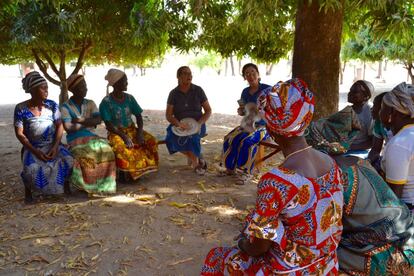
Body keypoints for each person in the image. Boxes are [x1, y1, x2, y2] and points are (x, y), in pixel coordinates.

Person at [201, 78, 344, 275]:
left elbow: (260, 247)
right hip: (327, 264)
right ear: (305, 119)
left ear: (270, 129)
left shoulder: (277, 180)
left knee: (217, 257)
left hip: (291, 270)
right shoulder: (330, 163)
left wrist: (243, 244)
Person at [305, 108, 414, 275]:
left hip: (391, 253)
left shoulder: (332, 175)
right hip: (407, 239)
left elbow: (323, 229)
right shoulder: (359, 162)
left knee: (314, 257)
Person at [14, 71, 73, 203]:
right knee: (32, 169)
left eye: (47, 87)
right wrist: (35, 151)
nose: (47, 90)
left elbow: (59, 126)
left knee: (68, 159)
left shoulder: (52, 105)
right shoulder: (21, 108)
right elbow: (19, 133)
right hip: (33, 147)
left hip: (53, 144)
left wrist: (56, 146)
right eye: (43, 88)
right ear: (33, 90)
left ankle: (63, 187)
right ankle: (30, 192)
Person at [61, 74, 116, 194]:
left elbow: (98, 120)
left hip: (91, 136)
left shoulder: (90, 103)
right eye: (81, 86)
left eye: (85, 85)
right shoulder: (66, 107)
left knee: (107, 150)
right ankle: (89, 186)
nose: (85, 88)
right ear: (73, 90)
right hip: (75, 139)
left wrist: (80, 120)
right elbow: (69, 128)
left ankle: (105, 185)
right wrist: (89, 122)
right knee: (85, 153)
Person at [99, 68, 158, 181]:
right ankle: (127, 173)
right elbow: (108, 125)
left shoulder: (130, 98)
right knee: (122, 147)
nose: (127, 83)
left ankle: (139, 170)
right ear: (116, 83)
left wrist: (139, 133)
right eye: (125, 81)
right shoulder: (106, 102)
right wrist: (124, 136)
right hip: (116, 132)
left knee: (151, 141)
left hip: (132, 130)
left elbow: (139, 117)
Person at [222, 63, 271, 184]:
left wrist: (265, 108)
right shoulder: (245, 92)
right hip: (248, 124)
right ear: (244, 77)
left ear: (258, 74)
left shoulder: (267, 89)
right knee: (229, 138)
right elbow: (244, 111)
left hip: (264, 126)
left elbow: (277, 107)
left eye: (253, 72)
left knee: (247, 141)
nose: (250, 75)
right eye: (247, 74)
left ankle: (246, 172)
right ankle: (230, 168)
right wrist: (241, 111)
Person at [165, 66, 212, 175]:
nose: (189, 76)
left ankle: (196, 164)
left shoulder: (198, 90)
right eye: (185, 73)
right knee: (170, 137)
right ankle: (198, 157)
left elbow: (208, 110)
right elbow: (168, 115)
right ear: (178, 76)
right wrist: (178, 124)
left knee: (193, 137)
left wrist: (199, 123)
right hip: (180, 123)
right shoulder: (173, 93)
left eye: (190, 73)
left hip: (198, 122)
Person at [380, 82, 414, 212]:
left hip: (408, 213)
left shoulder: (399, 143)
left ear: (392, 111)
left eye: (382, 107)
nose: (379, 112)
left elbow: (394, 198)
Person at [347, 80, 374, 155]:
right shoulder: (348, 110)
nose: (349, 94)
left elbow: (373, 141)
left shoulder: (370, 113)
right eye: (350, 91)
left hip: (359, 152)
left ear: (366, 96)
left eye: (355, 92)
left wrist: (351, 147)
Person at [367, 92, 392, 172]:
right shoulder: (378, 123)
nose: (372, 109)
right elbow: (375, 149)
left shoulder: (399, 129)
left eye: (375, 105)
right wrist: (367, 162)